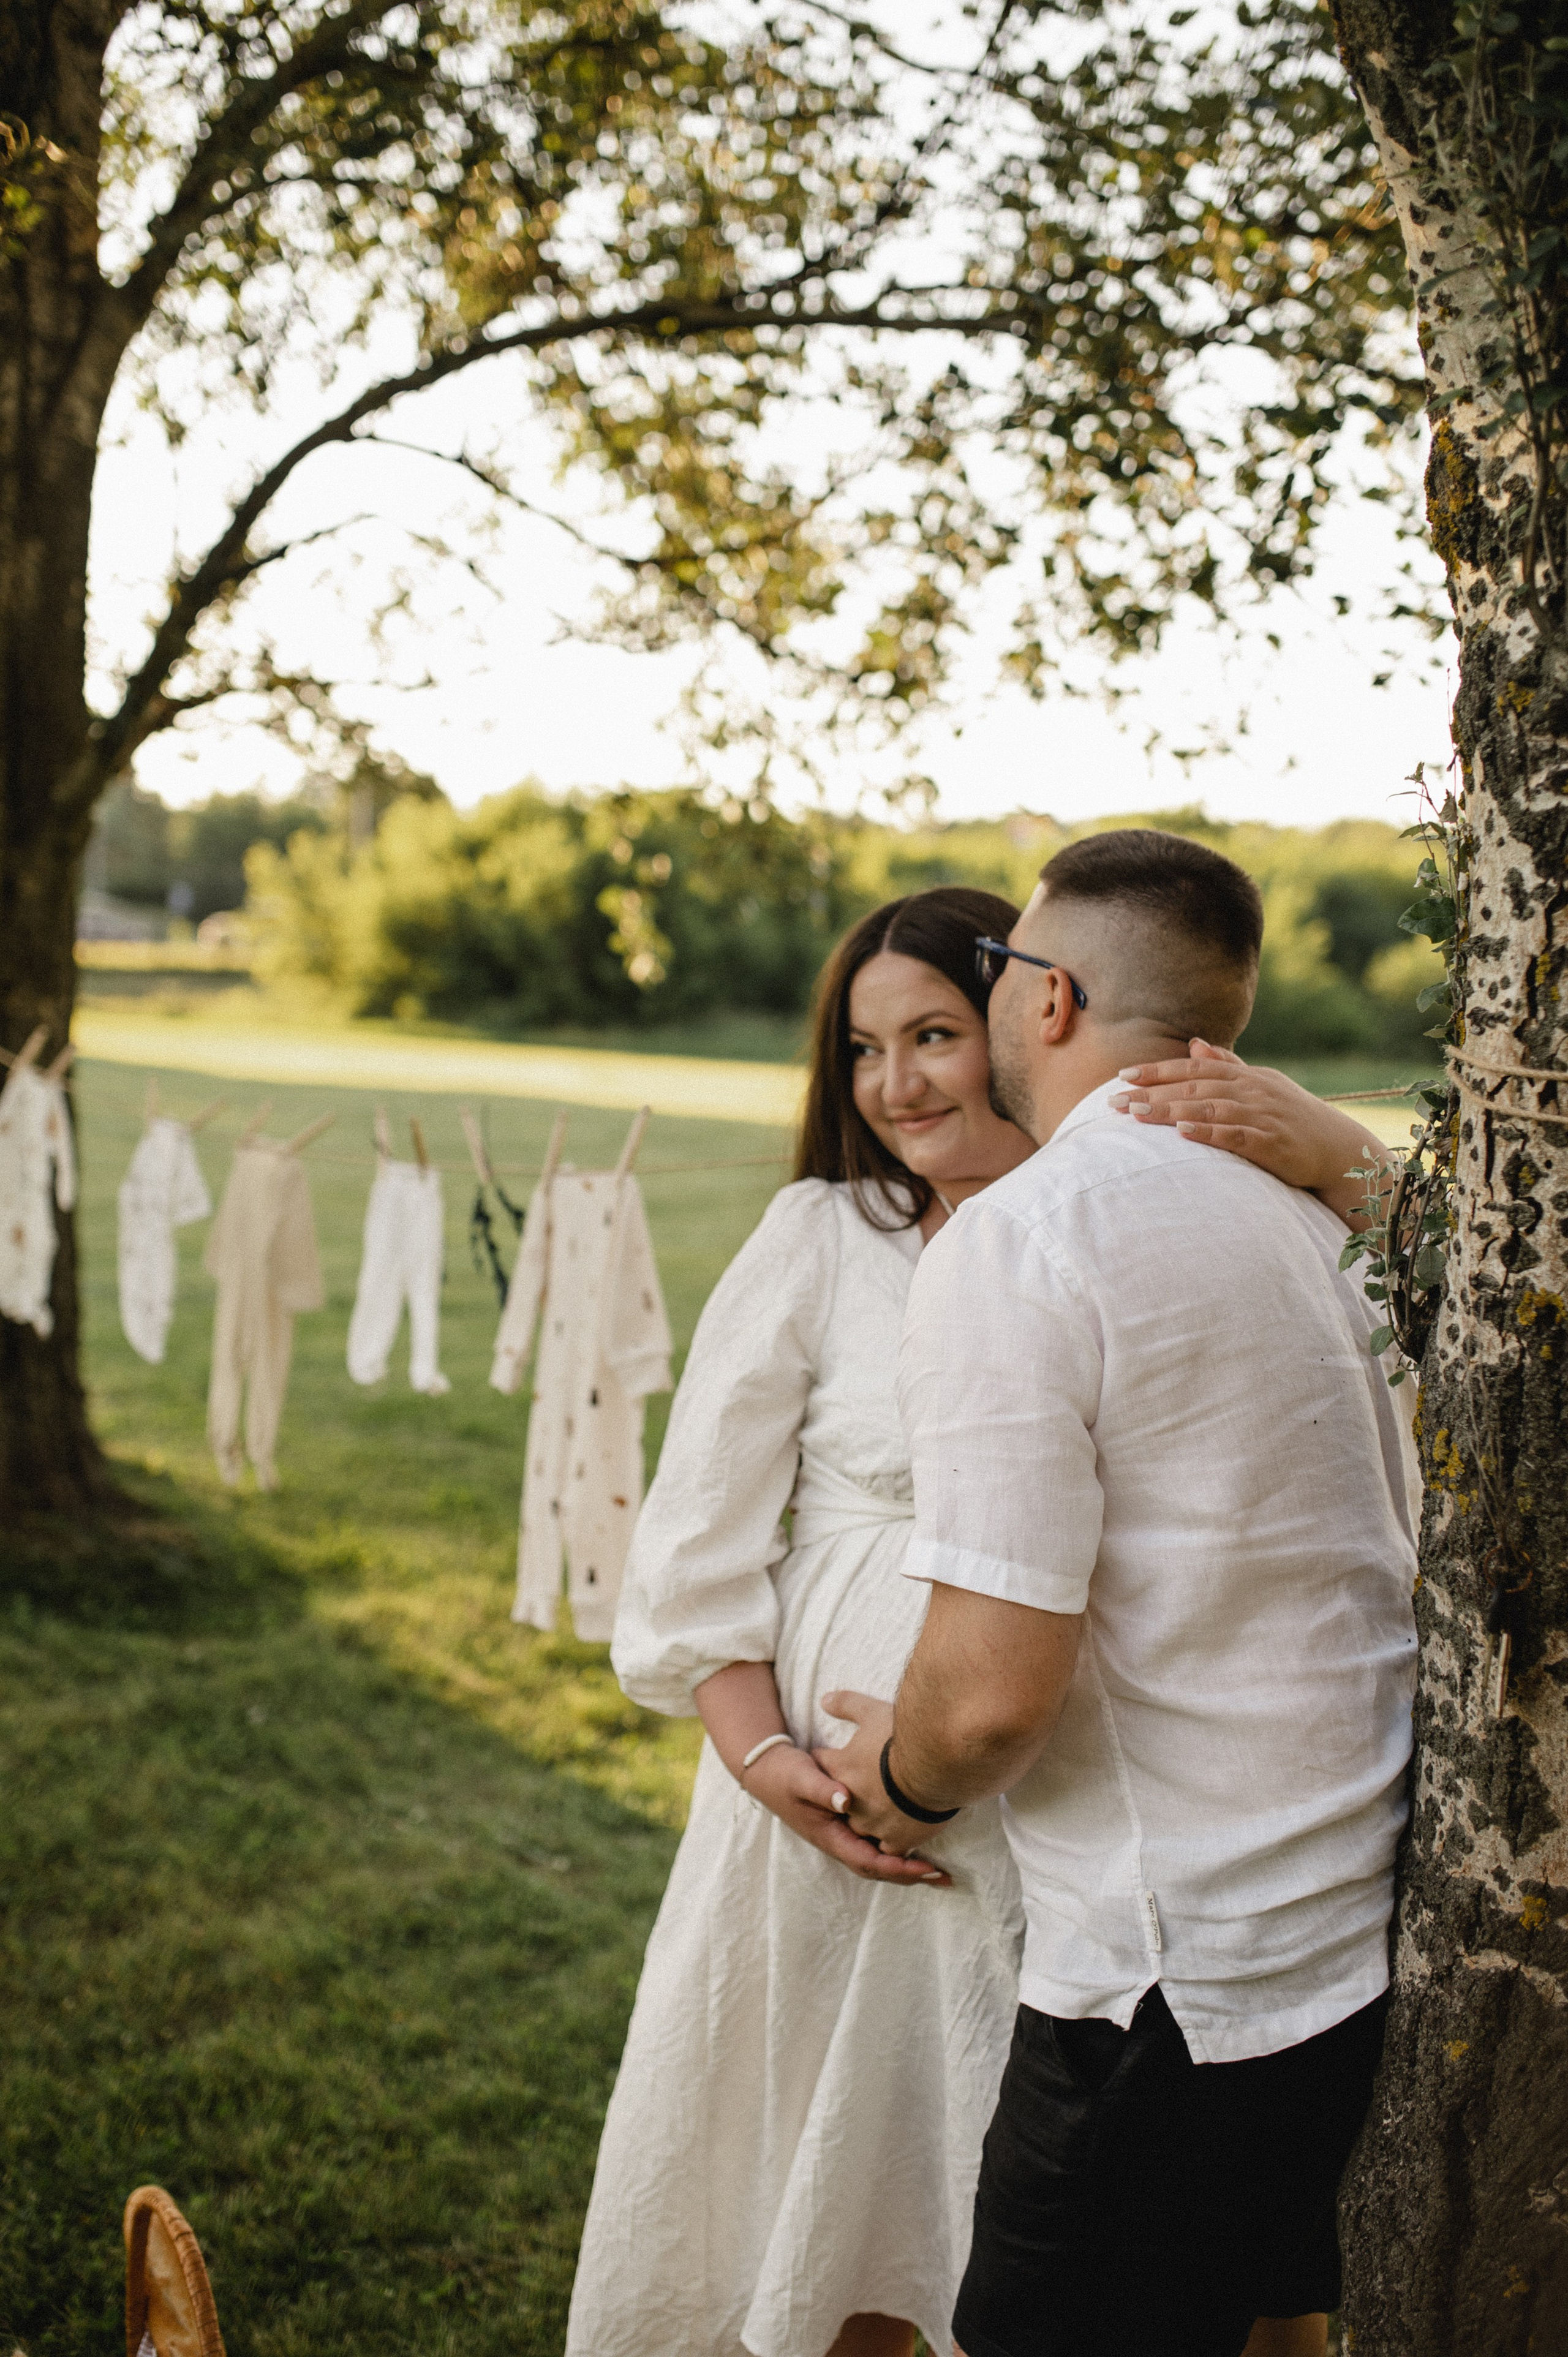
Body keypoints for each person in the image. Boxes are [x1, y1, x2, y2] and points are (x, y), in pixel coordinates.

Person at [567, 880, 1398, 2357]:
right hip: (842, 1837)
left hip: (1057, 1847)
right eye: (862, 1050)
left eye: (938, 1030)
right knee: (830, 2220)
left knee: (1032, 2235)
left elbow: (1022, 1668)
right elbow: (695, 1558)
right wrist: (791, 1778)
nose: (895, 1083)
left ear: (1032, 1010)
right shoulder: (824, 1236)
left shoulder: (1094, 1229)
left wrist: (1353, 1156)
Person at [823, 831, 1421, 2357]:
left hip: (1179, 1981)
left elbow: (991, 1691)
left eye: (1002, 969)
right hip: (1351, 1928)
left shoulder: (1022, 1243)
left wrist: (897, 1780)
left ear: (1054, 996)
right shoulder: (1319, 1223)